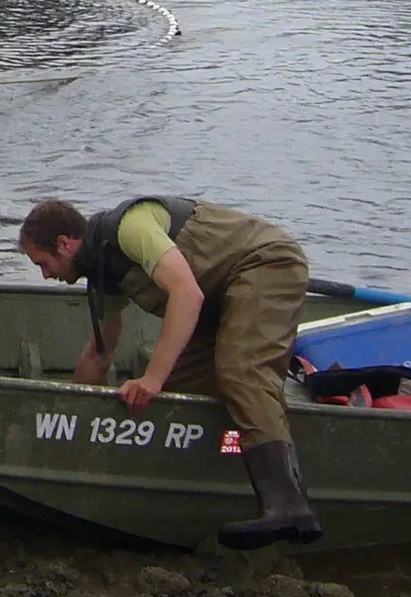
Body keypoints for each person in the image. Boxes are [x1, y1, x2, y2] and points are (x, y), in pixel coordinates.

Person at [18, 195, 320, 550]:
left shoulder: (130, 227)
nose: (46, 275)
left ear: (63, 244)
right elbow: (99, 354)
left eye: (42, 263)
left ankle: (288, 504)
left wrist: (151, 378)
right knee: (173, 398)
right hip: (220, 298)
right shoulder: (102, 271)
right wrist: (74, 425)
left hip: (264, 265)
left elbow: (186, 293)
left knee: (240, 371)